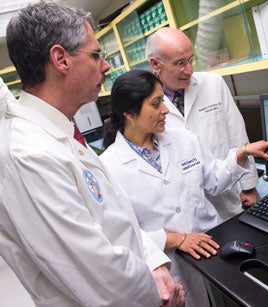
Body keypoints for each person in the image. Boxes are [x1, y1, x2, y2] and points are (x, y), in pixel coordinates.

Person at [0, 2, 184, 306]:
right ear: (60, 59)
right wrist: (161, 296)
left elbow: (116, 219)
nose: (106, 65)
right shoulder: (28, 154)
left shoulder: (61, 133)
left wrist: (152, 261)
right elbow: (101, 279)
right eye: (96, 55)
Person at [100, 69, 268, 306]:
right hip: (169, 264)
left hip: (212, 249)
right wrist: (176, 239)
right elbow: (122, 233)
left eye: (163, 101)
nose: (165, 109)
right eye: (156, 104)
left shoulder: (183, 140)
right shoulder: (108, 167)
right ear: (129, 113)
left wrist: (242, 153)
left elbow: (214, 181)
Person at [145, 27, 260, 221]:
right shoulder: (146, 102)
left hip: (228, 199)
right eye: (180, 63)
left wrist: (249, 186)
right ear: (155, 64)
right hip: (186, 215)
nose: (189, 70)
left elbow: (237, 134)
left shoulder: (214, 83)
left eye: (191, 60)